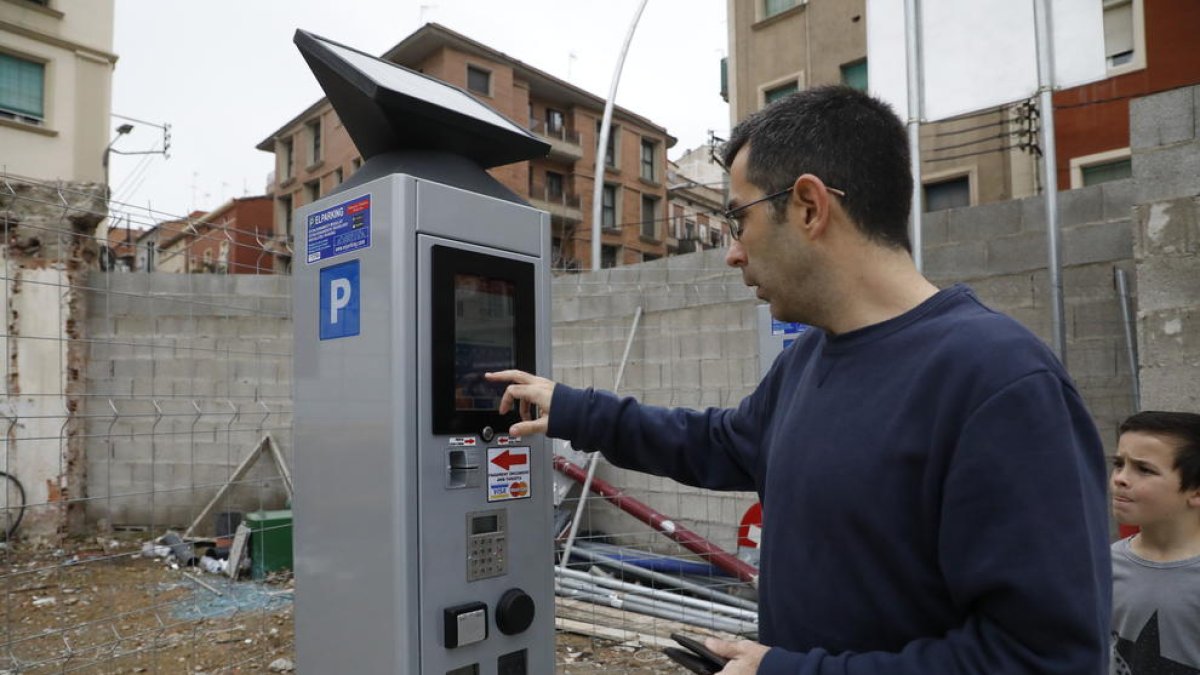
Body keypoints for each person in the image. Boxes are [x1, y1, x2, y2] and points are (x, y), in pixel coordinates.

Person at [486, 85, 1111, 674]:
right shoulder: (812, 357)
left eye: (738, 219)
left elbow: (1042, 659)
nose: (732, 250)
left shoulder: (999, 381)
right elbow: (721, 444)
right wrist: (572, 409)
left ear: (809, 207)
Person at [1109, 411, 1200, 674]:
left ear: (1196, 490)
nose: (1120, 478)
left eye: (1144, 469)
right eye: (1118, 464)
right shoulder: (1102, 567)